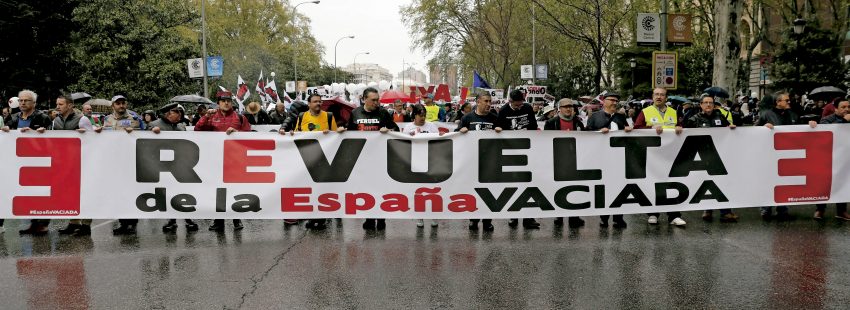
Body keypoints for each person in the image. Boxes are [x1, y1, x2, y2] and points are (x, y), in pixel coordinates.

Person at [280, 93, 343, 230]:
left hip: (324, 157)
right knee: (310, 187)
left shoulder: (329, 116)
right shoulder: (302, 116)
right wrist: (292, 134)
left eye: (320, 101)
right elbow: (297, 133)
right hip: (307, 157)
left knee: (321, 188)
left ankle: (321, 218)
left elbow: (336, 136)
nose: (318, 104)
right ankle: (312, 216)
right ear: (309, 104)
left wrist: (334, 132)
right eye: (315, 101)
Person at [195, 91, 251, 231]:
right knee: (218, 190)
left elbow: (250, 135)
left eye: (228, 101)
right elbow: (198, 130)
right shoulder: (211, 116)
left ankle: (236, 220)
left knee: (234, 189)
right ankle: (218, 221)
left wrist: (238, 134)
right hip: (216, 160)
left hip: (235, 160)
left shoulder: (240, 117)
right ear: (218, 103)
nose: (226, 103)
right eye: (223, 101)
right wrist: (205, 117)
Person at [757, 91, 817, 221]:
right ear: (778, 102)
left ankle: (782, 209)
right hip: (770, 154)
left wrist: (810, 125)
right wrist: (763, 127)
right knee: (769, 181)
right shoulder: (766, 115)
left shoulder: (793, 114)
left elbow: (801, 129)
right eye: (787, 100)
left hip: (788, 154)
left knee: (784, 181)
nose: (789, 102)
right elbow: (754, 131)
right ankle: (766, 209)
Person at [2, 90, 53, 235]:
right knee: (24, 192)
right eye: (21, 100)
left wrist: (39, 133)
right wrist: (6, 131)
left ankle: (42, 224)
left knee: (40, 193)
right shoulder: (13, 117)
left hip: (38, 160)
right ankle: (33, 223)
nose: (23, 103)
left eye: (26, 100)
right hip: (18, 161)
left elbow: (53, 138)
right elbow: (8, 137)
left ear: (34, 103)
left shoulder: (43, 118)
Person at [348, 87, 399, 230]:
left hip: (380, 159)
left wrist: (388, 130)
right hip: (362, 159)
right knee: (366, 190)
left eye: (378, 100)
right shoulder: (355, 113)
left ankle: (381, 218)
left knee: (380, 189)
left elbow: (396, 129)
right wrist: (341, 131)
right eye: (373, 100)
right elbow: (349, 133)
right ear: (364, 99)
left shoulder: (383, 112)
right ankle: (369, 219)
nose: (377, 103)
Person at [634, 88, 686, 226]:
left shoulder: (674, 112)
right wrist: (651, 129)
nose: (659, 97)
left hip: (670, 153)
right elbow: (637, 128)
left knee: (672, 183)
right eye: (656, 94)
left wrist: (680, 127)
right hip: (652, 154)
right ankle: (653, 213)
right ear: (652, 97)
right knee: (653, 183)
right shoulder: (645, 111)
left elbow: (681, 126)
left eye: (662, 95)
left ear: (666, 98)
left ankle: (674, 216)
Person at [684, 94, 739, 223]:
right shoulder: (693, 119)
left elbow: (728, 131)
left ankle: (725, 212)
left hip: (719, 155)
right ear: (701, 105)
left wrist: (731, 128)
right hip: (702, 156)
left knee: (721, 182)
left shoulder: (720, 117)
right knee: (706, 183)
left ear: (714, 105)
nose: (708, 105)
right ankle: (707, 210)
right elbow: (684, 135)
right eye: (706, 102)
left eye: (711, 103)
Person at [148, 103, 201, 232]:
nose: (180, 114)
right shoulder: (154, 125)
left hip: (181, 165)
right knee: (168, 193)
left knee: (183, 192)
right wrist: (152, 131)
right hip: (163, 166)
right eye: (176, 111)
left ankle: (188, 219)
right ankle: (171, 220)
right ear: (168, 113)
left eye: (180, 112)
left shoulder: (181, 127)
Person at [99, 95, 146, 234]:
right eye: (118, 103)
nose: (121, 106)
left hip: (130, 160)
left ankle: (132, 222)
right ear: (113, 105)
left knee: (130, 191)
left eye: (123, 103)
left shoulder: (135, 118)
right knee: (118, 192)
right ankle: (123, 223)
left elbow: (144, 135)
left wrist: (134, 132)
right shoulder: (107, 119)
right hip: (114, 160)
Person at [585, 92, 633, 228]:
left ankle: (618, 218)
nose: (614, 103)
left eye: (616, 101)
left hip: (618, 159)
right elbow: (586, 134)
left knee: (619, 188)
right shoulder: (595, 117)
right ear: (604, 101)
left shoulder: (621, 117)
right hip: (602, 159)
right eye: (611, 100)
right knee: (604, 189)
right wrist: (599, 131)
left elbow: (626, 132)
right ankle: (604, 218)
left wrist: (628, 130)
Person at [51, 94, 96, 235]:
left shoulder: (82, 119)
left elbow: (93, 140)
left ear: (70, 105)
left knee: (85, 193)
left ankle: (86, 225)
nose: (57, 107)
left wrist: (85, 135)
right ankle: (73, 222)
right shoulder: (56, 120)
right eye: (57, 104)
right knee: (69, 193)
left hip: (81, 162)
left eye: (61, 104)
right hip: (65, 162)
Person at [457, 92, 502, 231]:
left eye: (490, 101)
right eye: (486, 101)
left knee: (489, 191)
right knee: (473, 191)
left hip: (490, 162)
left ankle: (487, 221)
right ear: (478, 102)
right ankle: (474, 219)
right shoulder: (467, 118)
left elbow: (505, 137)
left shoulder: (494, 118)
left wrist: (501, 131)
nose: (489, 104)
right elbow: (455, 135)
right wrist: (460, 130)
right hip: (472, 162)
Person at [497, 89, 541, 229]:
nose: (519, 107)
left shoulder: (527, 108)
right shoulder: (503, 111)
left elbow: (533, 125)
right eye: (517, 105)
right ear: (510, 101)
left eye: (521, 104)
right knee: (514, 185)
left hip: (528, 150)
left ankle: (529, 218)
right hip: (511, 152)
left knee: (529, 184)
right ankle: (513, 215)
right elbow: (499, 129)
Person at [544, 98, 588, 228]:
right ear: (560, 109)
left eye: (571, 106)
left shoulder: (578, 123)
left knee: (575, 189)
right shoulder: (551, 123)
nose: (569, 109)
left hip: (575, 161)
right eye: (566, 106)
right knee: (559, 188)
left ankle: (574, 217)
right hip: (558, 161)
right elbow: (545, 141)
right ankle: (559, 216)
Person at [401, 104, 444, 228]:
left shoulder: (431, 126)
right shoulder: (408, 127)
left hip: (431, 162)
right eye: (420, 115)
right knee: (418, 191)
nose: (423, 118)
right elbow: (404, 144)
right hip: (415, 163)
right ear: (414, 115)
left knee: (433, 190)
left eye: (424, 115)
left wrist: (441, 136)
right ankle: (420, 217)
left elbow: (438, 142)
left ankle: (434, 216)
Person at [814, 99, 850, 221]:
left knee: (843, 183)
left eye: (848, 107)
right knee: (824, 183)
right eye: (843, 107)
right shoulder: (827, 119)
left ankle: (841, 211)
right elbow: (825, 131)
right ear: (835, 109)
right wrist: (844, 121)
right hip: (828, 156)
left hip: (844, 157)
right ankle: (820, 209)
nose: (847, 109)